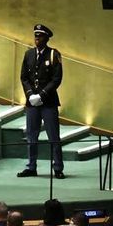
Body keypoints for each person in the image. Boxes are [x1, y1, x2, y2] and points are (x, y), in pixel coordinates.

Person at [17, 24, 64, 179]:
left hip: (48, 102)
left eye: (40, 36)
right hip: (32, 103)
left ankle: (57, 167)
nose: (37, 38)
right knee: (32, 136)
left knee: (53, 137)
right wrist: (30, 94)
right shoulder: (28, 54)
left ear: (46, 38)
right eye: (36, 36)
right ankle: (31, 167)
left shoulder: (53, 54)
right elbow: (24, 77)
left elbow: (57, 79)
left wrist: (42, 95)